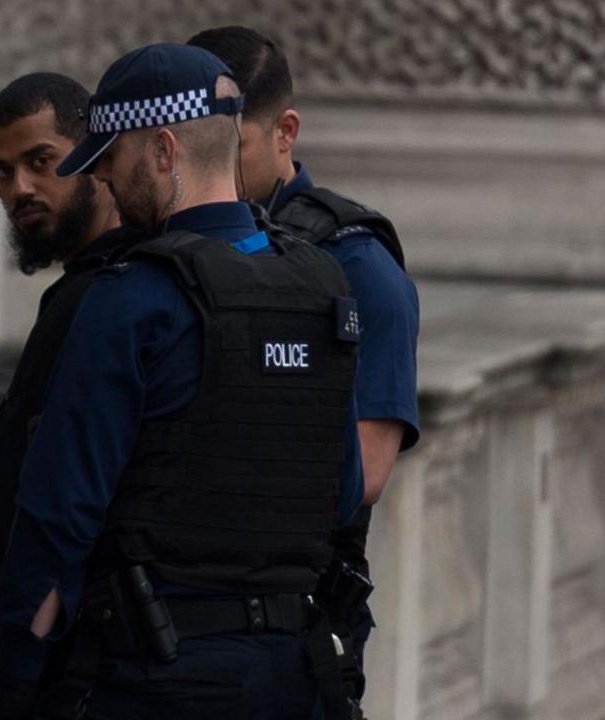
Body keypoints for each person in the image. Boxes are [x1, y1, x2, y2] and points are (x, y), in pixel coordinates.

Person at [0, 43, 365, 720]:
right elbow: (346, 492)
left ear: (162, 151)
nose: (110, 186)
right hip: (296, 676)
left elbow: (56, 518)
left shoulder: (129, 300)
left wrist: (13, 688)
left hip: (158, 677)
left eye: (113, 162)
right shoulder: (320, 283)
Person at [189, 26, 421, 714]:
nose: (208, 175)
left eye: (231, 151)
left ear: (285, 132)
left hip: (293, 634)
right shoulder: (176, 251)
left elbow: (364, 473)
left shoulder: (358, 268)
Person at [0, 73, 141, 664]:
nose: (20, 187)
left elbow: (69, 500)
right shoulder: (85, 290)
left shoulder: (115, 295)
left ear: (95, 154)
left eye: (40, 161)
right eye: (1, 171)